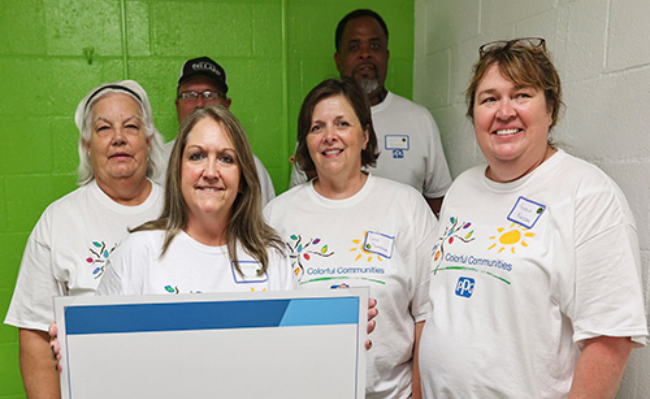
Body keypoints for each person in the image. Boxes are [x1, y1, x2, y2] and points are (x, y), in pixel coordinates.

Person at [418, 38, 648, 399]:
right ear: (474, 114)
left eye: (521, 95)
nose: (504, 111)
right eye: (489, 98)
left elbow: (610, 339)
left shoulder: (587, 195)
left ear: (550, 107)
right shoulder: (461, 190)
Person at [265, 78, 436, 399]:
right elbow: (265, 318)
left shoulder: (406, 207)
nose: (330, 136)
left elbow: (427, 315)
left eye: (342, 123)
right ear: (306, 145)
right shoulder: (277, 215)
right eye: (317, 127)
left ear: (365, 136)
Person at [4, 80, 166, 399]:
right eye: (104, 128)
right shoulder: (59, 220)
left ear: (148, 140)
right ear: (87, 145)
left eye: (131, 126)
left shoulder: (182, 209)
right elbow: (34, 333)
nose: (119, 138)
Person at [99, 105, 291, 296]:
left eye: (225, 159)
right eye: (197, 156)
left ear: (242, 178)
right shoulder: (139, 251)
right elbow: (102, 326)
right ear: (178, 171)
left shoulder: (272, 256)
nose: (210, 172)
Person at [290, 9, 452, 215]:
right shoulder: (318, 124)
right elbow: (297, 200)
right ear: (338, 59)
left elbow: (438, 200)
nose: (365, 54)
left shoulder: (419, 119)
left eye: (374, 46)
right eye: (354, 47)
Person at [158, 56, 276, 206]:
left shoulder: (252, 166)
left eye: (210, 95)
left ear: (226, 105)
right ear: (177, 106)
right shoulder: (156, 163)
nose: (200, 104)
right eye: (189, 96)